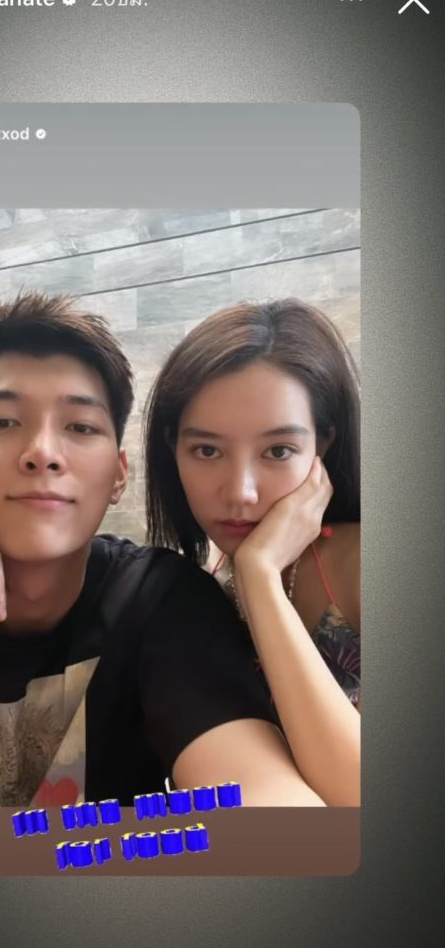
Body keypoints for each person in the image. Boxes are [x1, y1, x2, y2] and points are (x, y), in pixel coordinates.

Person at [0, 292, 325, 808]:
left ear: (119, 476)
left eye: (80, 427)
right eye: (2, 422)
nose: (42, 453)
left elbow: (276, 820)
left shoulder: (159, 600)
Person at [145, 298, 360, 806]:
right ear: (173, 449)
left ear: (323, 444)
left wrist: (259, 575)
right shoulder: (191, 593)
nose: (240, 492)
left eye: (278, 451)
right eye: (207, 450)